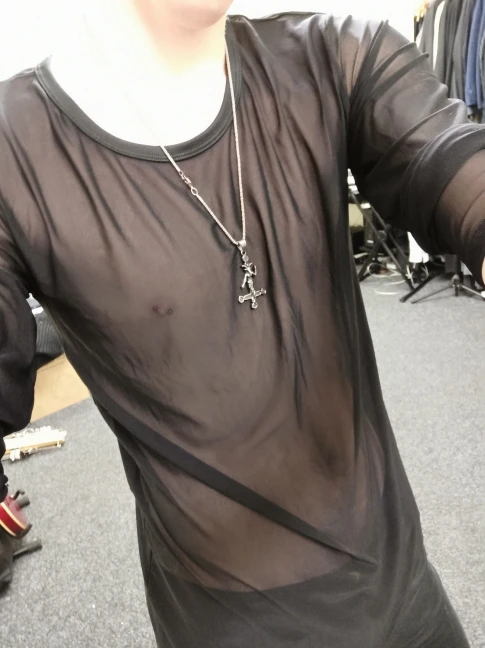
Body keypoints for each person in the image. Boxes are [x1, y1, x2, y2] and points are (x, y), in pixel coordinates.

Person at [0, 1, 484, 646]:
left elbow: (450, 164)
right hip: (225, 622)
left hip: (404, 594)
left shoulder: (336, 55)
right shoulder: (15, 151)